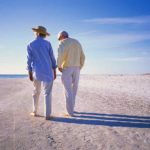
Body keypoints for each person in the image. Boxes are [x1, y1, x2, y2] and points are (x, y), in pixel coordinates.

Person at [27, 26, 57, 120]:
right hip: (48, 71)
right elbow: (52, 58)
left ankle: (34, 111)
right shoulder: (47, 43)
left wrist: (30, 73)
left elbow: (29, 60)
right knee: (47, 93)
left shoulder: (30, 44)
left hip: (37, 71)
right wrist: (54, 71)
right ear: (44, 34)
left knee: (36, 92)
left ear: (37, 33)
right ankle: (47, 115)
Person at [57, 31, 85, 117]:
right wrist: (80, 66)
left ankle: (70, 112)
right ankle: (72, 108)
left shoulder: (63, 43)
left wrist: (59, 66)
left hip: (68, 68)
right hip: (77, 68)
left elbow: (60, 55)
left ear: (62, 36)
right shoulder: (77, 42)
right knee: (74, 89)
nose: (59, 40)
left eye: (59, 38)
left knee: (67, 90)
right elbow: (83, 56)